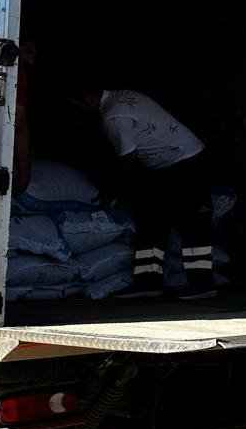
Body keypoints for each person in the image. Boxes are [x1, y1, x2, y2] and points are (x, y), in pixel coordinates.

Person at [68, 85, 217, 300]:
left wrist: (117, 192)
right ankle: (148, 282)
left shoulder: (114, 115)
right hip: (167, 166)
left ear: (90, 99)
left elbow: (127, 160)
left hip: (186, 163)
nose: (76, 113)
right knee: (151, 220)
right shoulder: (120, 98)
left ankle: (203, 285)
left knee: (192, 223)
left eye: (76, 107)